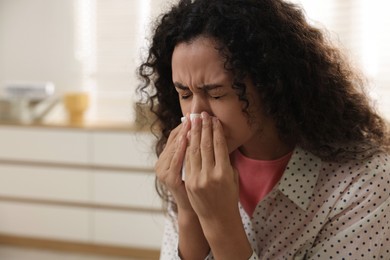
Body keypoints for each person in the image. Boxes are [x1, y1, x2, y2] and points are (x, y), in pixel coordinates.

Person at [137, 0, 390, 259]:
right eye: (185, 94)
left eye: (216, 94)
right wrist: (189, 212)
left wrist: (219, 222)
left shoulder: (364, 183)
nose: (196, 115)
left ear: (271, 85)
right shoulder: (192, 171)